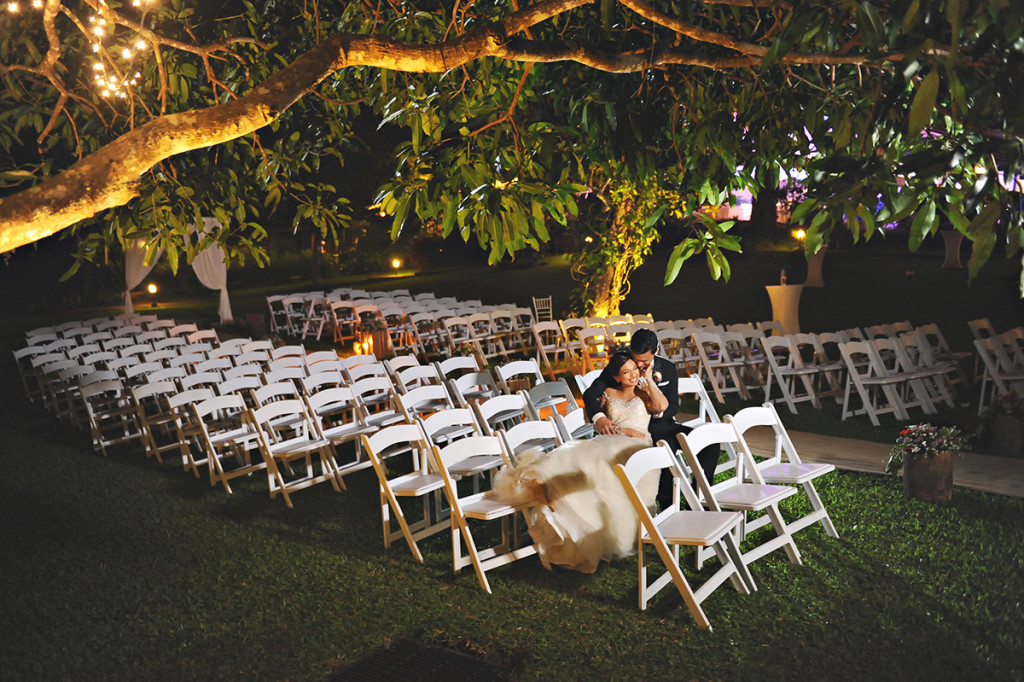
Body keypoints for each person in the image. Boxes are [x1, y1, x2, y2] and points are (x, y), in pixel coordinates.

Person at [493, 352, 661, 573]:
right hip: (612, 436)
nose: (632, 374)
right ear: (617, 377)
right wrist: (612, 424)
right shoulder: (607, 391)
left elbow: (660, 407)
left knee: (601, 462)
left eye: (635, 369)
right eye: (626, 371)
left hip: (637, 443)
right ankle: (549, 484)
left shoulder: (644, 391)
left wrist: (648, 380)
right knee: (581, 451)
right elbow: (593, 401)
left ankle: (564, 495)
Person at [583, 328, 720, 509]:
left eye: (644, 361)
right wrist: (599, 417)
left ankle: (699, 498)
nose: (638, 366)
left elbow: (672, 406)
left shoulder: (668, 369)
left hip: (664, 424)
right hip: (635, 431)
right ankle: (667, 505)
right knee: (666, 449)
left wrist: (656, 406)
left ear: (656, 352)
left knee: (710, 444)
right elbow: (591, 393)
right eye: (635, 359)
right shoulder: (622, 364)